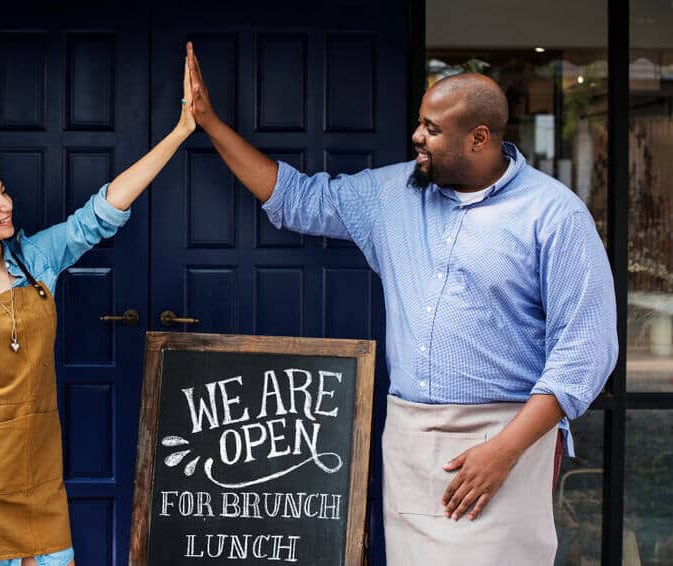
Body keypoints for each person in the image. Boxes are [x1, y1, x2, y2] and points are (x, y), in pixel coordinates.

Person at [184, 42, 617, 565]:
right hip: (410, 436)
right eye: (420, 122)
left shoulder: (554, 216)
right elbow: (296, 199)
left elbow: (585, 352)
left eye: (432, 129)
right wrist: (208, 122)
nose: (416, 135)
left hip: (507, 437)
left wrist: (505, 450)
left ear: (479, 138)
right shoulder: (393, 195)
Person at [0, 61, 196, 566]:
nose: (6, 205)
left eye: (3, 193)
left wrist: (181, 132)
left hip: (32, 474)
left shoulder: (36, 259)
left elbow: (101, 214)